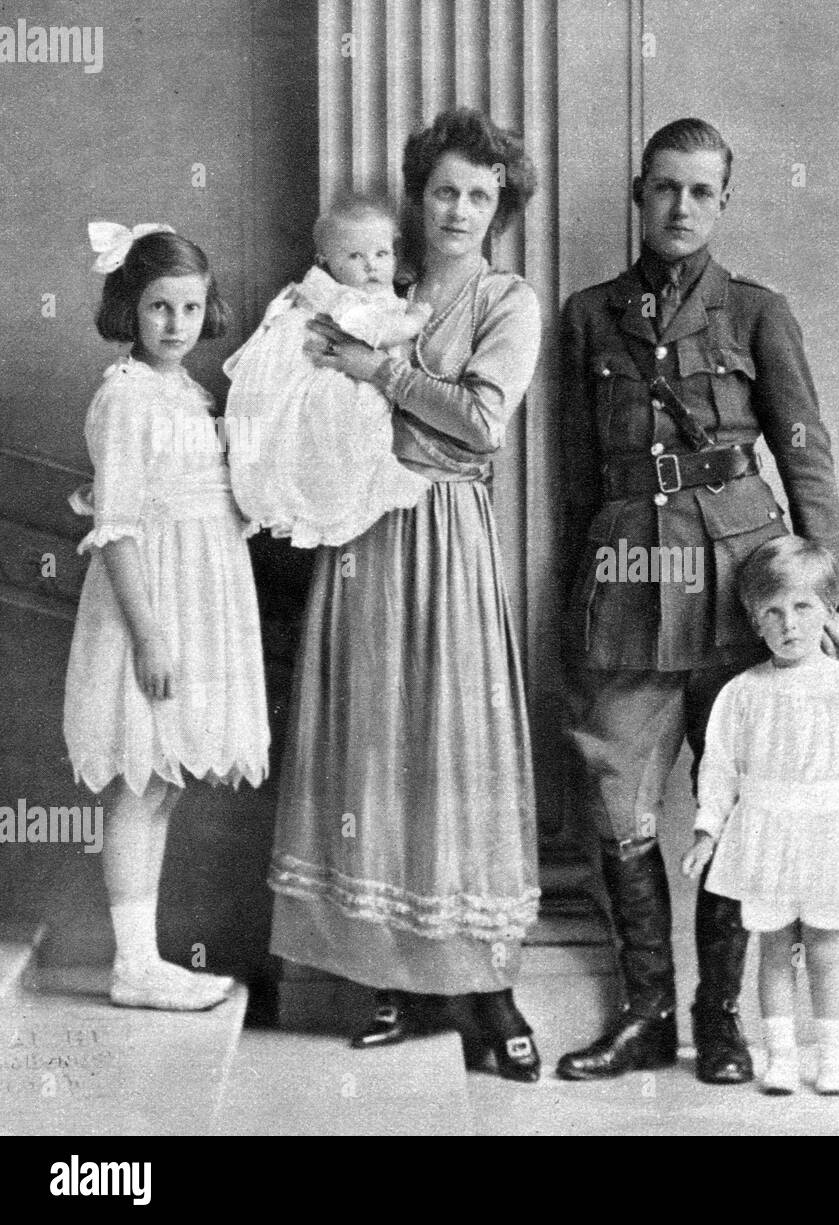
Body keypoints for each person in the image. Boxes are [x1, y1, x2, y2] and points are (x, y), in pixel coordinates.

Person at [557, 118, 839, 1085]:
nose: (681, 208)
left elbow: (804, 448)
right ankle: (645, 1013)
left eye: (702, 192)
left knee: (749, 796)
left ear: (724, 203)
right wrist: (576, 594)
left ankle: (719, 1019)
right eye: (665, 189)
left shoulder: (759, 312)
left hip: (741, 584)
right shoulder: (588, 315)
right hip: (627, 587)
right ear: (638, 195)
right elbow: (574, 473)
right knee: (618, 801)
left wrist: (821, 587)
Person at [266, 108, 544, 1081]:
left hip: (446, 537)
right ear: (417, 198)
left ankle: (487, 991)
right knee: (374, 742)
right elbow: (304, 397)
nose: (460, 208)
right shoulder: (378, 279)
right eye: (443, 191)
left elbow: (478, 422)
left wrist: (378, 370)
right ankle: (391, 979)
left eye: (479, 193)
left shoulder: (509, 298)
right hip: (360, 534)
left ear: (500, 204)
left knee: (454, 748)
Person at [65, 222, 269, 1010]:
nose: (176, 323)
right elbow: (114, 526)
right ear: (130, 309)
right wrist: (150, 631)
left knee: (163, 783)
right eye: (158, 307)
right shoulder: (124, 397)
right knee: (140, 781)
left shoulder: (187, 393)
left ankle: (141, 957)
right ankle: (134, 962)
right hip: (149, 608)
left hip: (197, 601)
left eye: (189, 307)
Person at [682, 537, 839, 1094]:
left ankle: (832, 1058)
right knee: (775, 946)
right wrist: (708, 832)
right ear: (756, 623)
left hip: (829, 830)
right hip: (766, 831)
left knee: (824, 948)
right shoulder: (742, 692)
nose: (789, 624)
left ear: (829, 613)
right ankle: (779, 1057)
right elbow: (721, 767)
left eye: (803, 608)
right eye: (773, 613)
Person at [223, 194, 430, 547]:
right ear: (325, 261)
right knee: (332, 430)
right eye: (355, 256)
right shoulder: (338, 298)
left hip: (327, 365)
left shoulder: (362, 291)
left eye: (382, 254)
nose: (371, 266)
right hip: (306, 370)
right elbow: (377, 330)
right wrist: (415, 319)